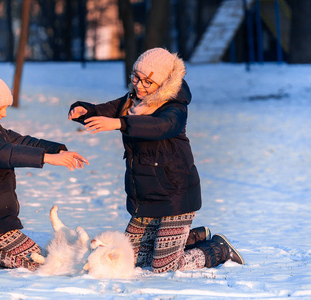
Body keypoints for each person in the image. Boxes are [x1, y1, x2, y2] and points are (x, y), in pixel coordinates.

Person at [68, 48, 244, 273]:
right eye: (136, 78)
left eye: (147, 82)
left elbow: (161, 127)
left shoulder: (175, 107)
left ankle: (218, 249)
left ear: (162, 84)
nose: (139, 86)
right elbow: (103, 111)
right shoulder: (132, 101)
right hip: (146, 196)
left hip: (175, 194)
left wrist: (121, 123)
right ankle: (187, 238)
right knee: (126, 258)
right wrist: (85, 111)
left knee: (164, 266)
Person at [0, 74, 88, 271]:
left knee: (44, 260)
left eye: (6, 108)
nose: (4, 114)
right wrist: (45, 158)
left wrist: (58, 151)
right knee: (40, 266)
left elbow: (23, 142)